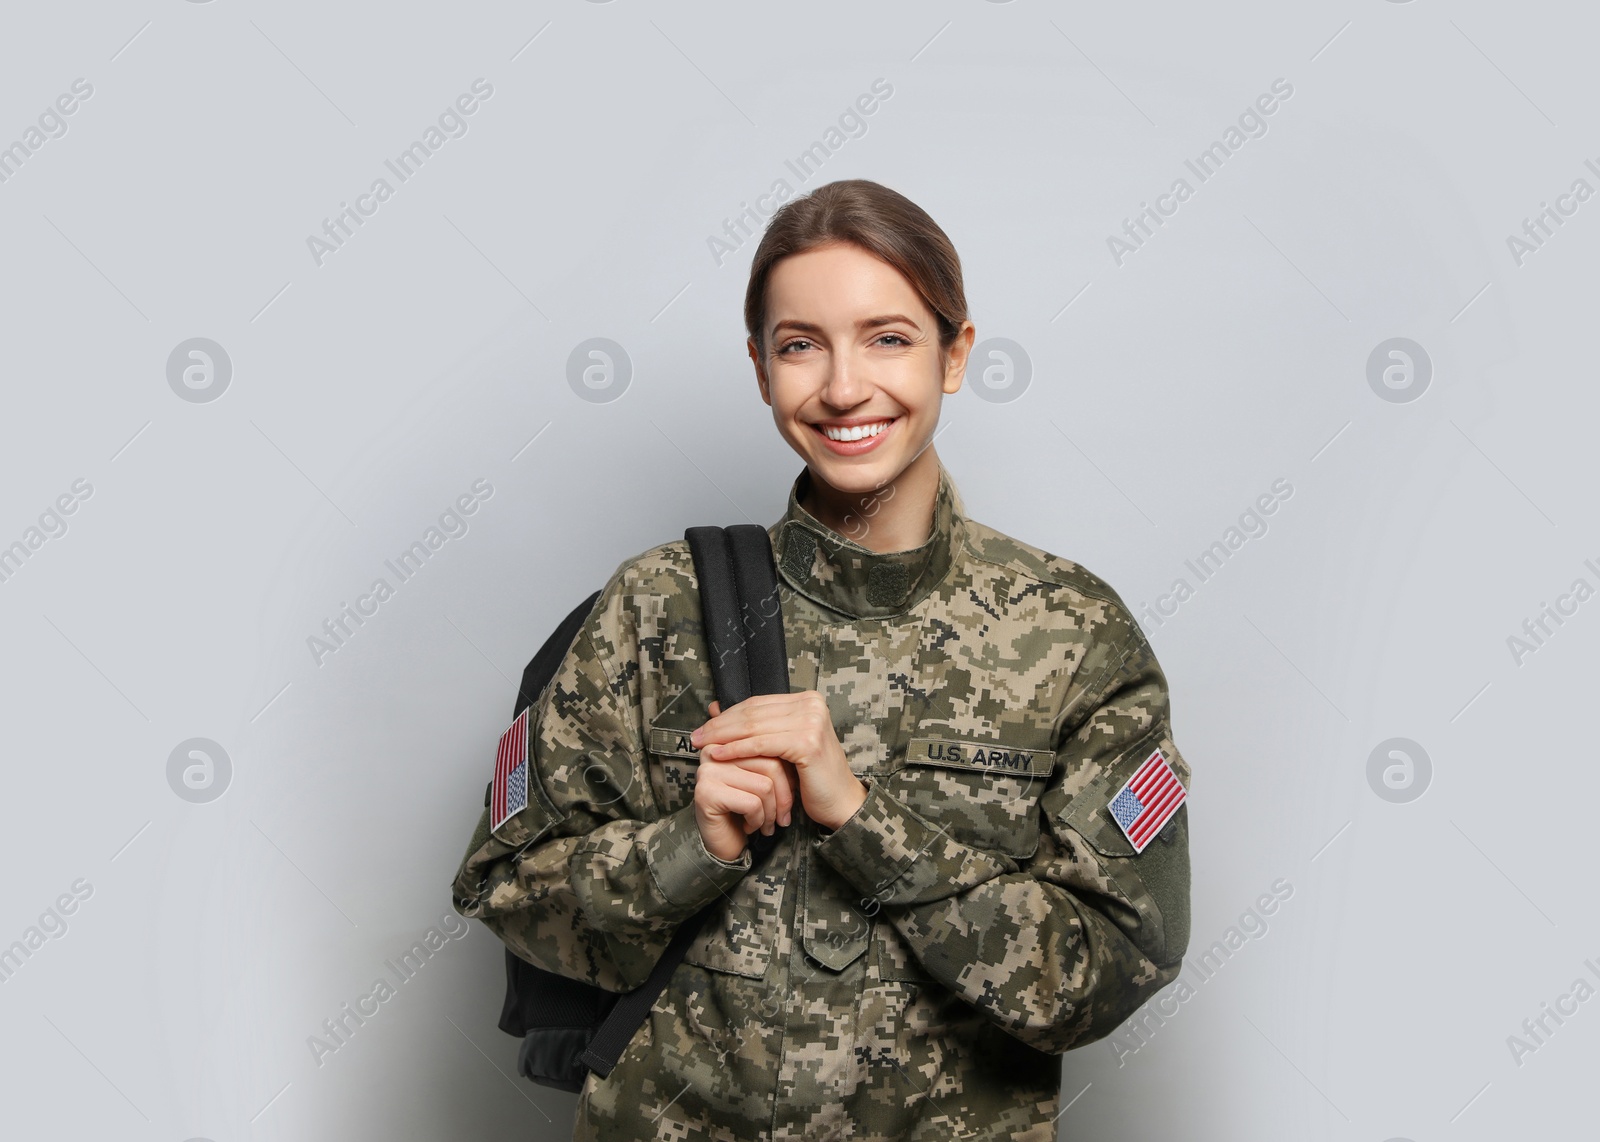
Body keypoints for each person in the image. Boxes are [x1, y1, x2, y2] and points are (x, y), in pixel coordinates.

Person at [451, 178, 1192, 1142]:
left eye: (889, 337)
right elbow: (502, 887)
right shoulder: (655, 606)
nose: (845, 387)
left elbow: (1108, 969)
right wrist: (693, 846)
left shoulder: (1074, 634)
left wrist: (862, 819)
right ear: (761, 369)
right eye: (801, 345)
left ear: (956, 354)